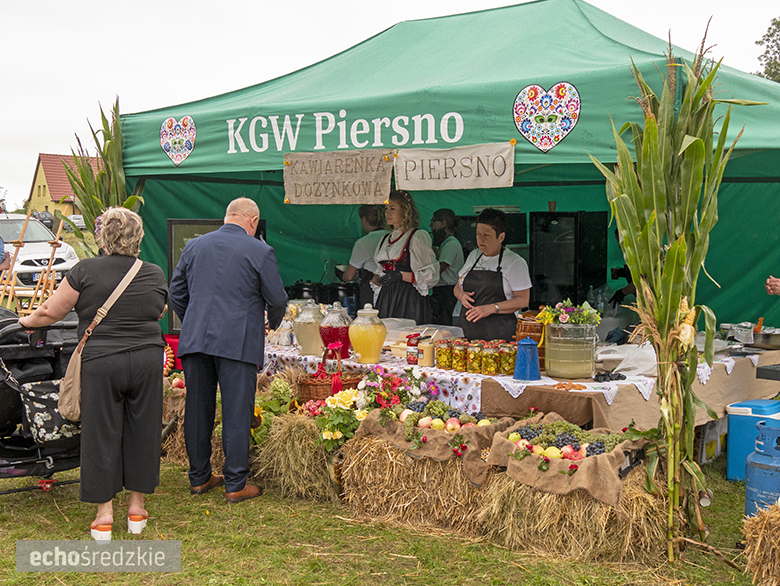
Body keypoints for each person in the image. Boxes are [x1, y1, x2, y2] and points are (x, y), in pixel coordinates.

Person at [18, 207, 169, 540]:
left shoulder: (85, 270)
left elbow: (51, 311)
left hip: (102, 362)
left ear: (104, 236)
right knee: (143, 430)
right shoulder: (154, 272)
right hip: (146, 360)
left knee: (101, 434)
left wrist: (24, 321)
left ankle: (104, 516)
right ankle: (137, 509)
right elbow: (159, 309)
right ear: (138, 238)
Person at [169, 197, 287, 504]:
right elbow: (277, 299)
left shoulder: (194, 246)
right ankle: (235, 483)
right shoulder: (260, 250)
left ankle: (199, 478)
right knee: (236, 411)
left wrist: (194, 320)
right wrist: (271, 324)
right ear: (253, 221)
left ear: (227, 217)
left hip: (196, 341)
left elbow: (176, 292)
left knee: (197, 410)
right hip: (237, 341)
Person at [454, 208, 531, 341]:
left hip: (500, 336)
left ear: (501, 237)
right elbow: (457, 286)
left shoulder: (514, 262)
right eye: (478, 234)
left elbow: (523, 300)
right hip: (467, 332)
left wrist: (491, 308)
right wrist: (461, 295)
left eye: (486, 235)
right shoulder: (473, 256)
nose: (480, 239)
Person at [373, 190, 439, 324]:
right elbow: (381, 276)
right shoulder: (385, 239)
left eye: (392, 209)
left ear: (405, 211)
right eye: (386, 209)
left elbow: (431, 275)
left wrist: (400, 275)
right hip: (387, 298)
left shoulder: (417, 236)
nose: (387, 213)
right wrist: (369, 276)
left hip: (408, 299)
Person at [337, 204, 387, 306]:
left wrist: (341, 275)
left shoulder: (363, 243)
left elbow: (349, 276)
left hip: (371, 291)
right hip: (391, 290)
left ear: (365, 220)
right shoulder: (392, 237)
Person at [429, 209, 464, 325]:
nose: (430, 225)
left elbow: (438, 268)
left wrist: (435, 247)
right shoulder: (445, 243)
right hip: (441, 290)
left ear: (443, 223)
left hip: (447, 291)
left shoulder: (451, 243)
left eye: (433, 221)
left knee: (445, 324)